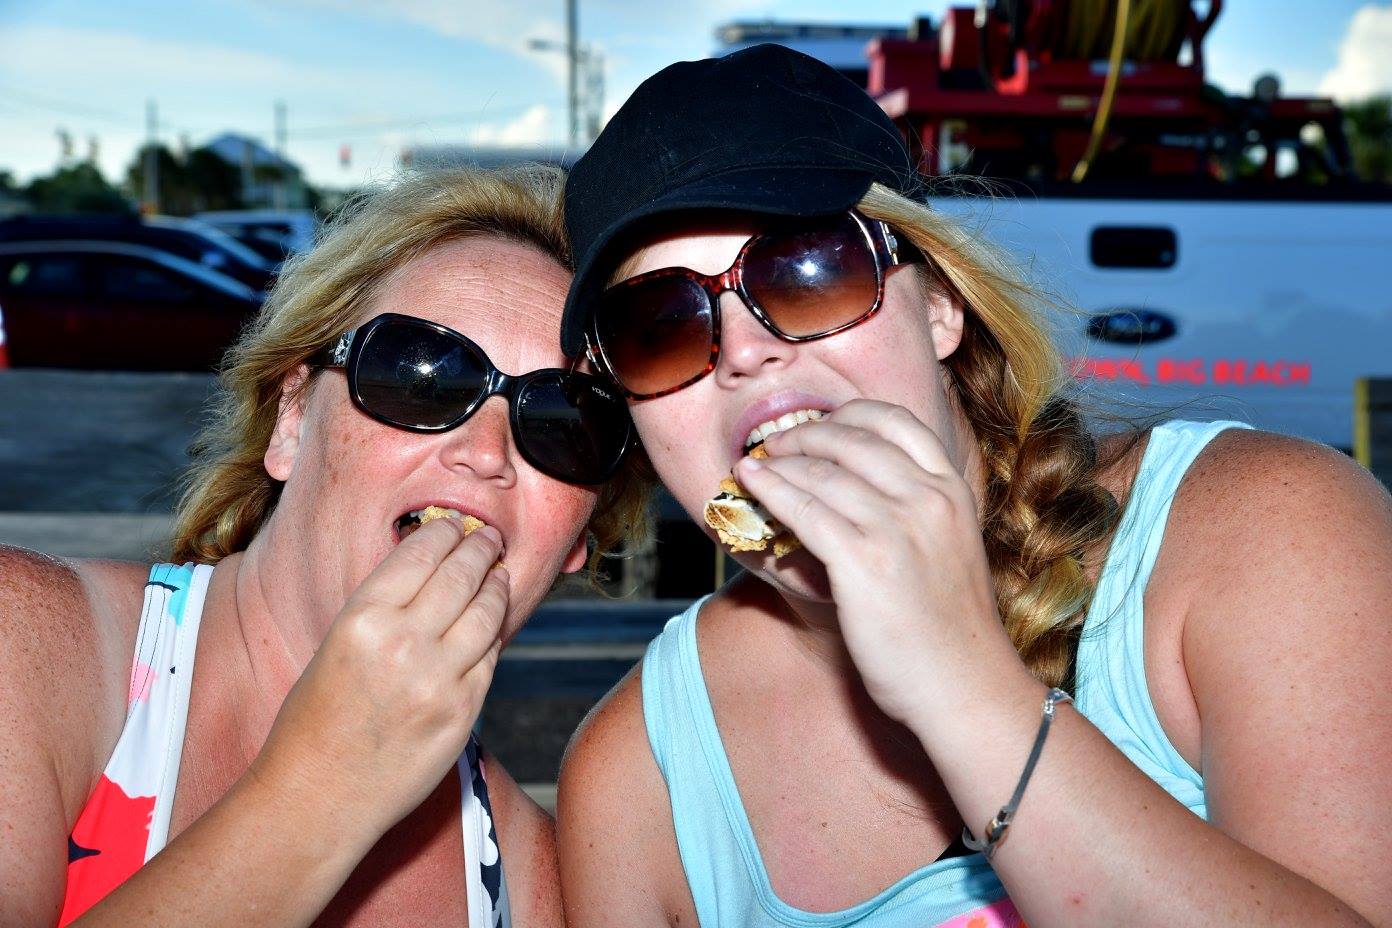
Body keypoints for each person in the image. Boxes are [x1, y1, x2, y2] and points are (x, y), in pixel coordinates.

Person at [555, 44, 1392, 928]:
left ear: (942, 307)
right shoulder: (638, 780)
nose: (746, 349)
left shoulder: (1266, 534)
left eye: (810, 268)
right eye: (658, 328)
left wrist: (960, 680)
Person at [0, 166, 647, 928]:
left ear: (579, 536)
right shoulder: (30, 648)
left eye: (566, 422)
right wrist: (328, 784)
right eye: (421, 374)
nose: (486, 450)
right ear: (293, 419)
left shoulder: (545, 887)